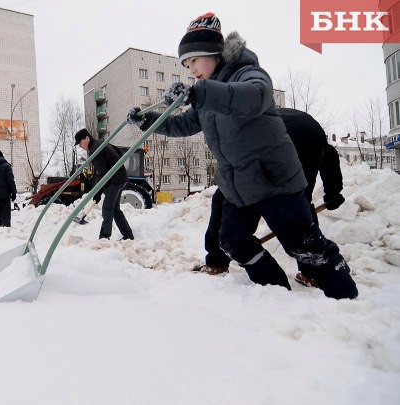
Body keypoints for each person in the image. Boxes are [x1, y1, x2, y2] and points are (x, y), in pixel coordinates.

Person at [126, 13, 357, 299]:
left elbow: (255, 95)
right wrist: (148, 121)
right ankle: (276, 293)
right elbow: (184, 123)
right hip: (239, 182)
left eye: (193, 61)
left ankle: (346, 298)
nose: (191, 70)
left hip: (275, 180)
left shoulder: (247, 73)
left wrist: (201, 94)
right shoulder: (207, 94)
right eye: (186, 65)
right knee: (232, 240)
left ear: (213, 53)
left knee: (303, 246)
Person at [195, 108, 346, 289]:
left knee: (230, 195)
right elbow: (329, 153)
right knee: (300, 204)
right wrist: (333, 191)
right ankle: (314, 274)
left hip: (285, 140)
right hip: (311, 135)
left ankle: (217, 262)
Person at [74, 128, 134, 241]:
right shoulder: (99, 143)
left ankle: (104, 238)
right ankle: (128, 235)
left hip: (115, 180)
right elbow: (118, 152)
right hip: (119, 177)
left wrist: (98, 193)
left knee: (107, 208)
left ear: (87, 138)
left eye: (80, 143)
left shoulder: (95, 149)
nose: (80, 146)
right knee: (115, 209)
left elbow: (102, 174)